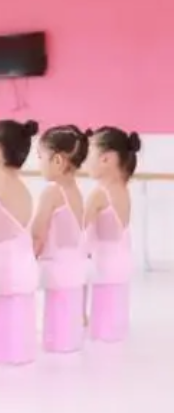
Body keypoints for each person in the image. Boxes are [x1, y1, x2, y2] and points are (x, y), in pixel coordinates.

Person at [0, 119, 39, 364]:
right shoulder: (23, 189)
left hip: (2, 270)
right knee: (17, 323)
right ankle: (17, 351)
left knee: (1, 327)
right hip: (25, 267)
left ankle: (4, 352)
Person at [33, 125, 91, 347]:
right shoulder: (76, 193)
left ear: (57, 160)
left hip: (57, 269)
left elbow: (38, 235)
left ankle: (58, 344)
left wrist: (28, 257)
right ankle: (69, 341)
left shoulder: (52, 193)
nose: (39, 163)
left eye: (40, 157)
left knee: (56, 325)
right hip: (75, 267)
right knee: (68, 317)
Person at [84, 127, 140, 339]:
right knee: (115, 320)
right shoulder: (122, 191)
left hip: (104, 267)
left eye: (89, 154)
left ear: (106, 159)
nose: (85, 161)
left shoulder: (100, 194)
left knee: (103, 330)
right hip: (121, 263)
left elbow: (78, 227)